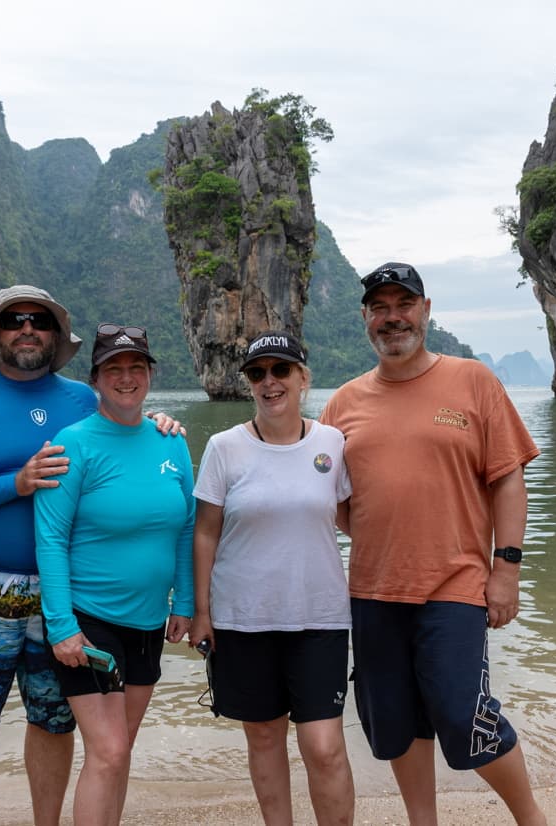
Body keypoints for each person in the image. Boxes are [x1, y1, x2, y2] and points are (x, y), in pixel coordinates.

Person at [0, 287, 179, 826]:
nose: (27, 328)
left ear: (57, 336)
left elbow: (122, 424)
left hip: (66, 595)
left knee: (55, 720)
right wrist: (14, 483)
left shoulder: (80, 400)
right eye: (14, 320)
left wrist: (161, 423)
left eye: (39, 320)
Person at [319, 263, 548, 826]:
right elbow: (330, 497)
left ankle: (531, 819)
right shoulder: (343, 404)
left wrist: (507, 569)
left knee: (465, 715)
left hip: (456, 585)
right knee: (396, 721)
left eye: (404, 304)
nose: (392, 317)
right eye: (380, 307)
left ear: (425, 310)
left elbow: (509, 478)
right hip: (373, 591)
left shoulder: (473, 381)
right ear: (365, 317)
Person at [191, 330, 355, 826]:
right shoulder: (224, 447)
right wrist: (201, 613)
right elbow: (205, 533)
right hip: (243, 620)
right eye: (257, 373)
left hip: (320, 617)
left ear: (303, 378)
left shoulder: (332, 443)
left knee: (323, 746)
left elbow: (356, 519)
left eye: (281, 370)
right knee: (264, 738)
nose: (269, 382)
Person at [34, 323, 195, 826]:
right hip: (89, 620)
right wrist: (61, 625)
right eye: (114, 369)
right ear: (96, 380)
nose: (126, 377)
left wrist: (185, 602)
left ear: (150, 375)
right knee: (108, 752)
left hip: (148, 623)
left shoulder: (171, 442)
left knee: (120, 750)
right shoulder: (73, 443)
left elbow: (187, 528)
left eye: (136, 367)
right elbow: (50, 537)